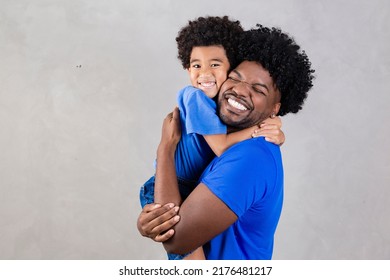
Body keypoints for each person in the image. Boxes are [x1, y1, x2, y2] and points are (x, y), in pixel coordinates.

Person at [137, 24, 315, 259]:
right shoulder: (218, 124)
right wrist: (151, 223)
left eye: (258, 90)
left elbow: (177, 240)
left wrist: (165, 148)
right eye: (234, 78)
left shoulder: (250, 156)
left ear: (275, 109)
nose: (239, 91)